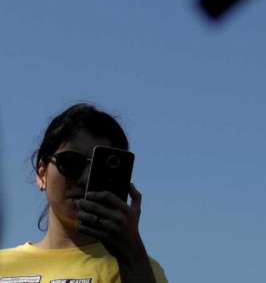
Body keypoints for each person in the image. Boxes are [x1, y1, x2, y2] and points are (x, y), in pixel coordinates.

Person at [0, 103, 168, 282]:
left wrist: (132, 253)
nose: (85, 179)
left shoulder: (138, 268)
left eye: (100, 169)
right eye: (70, 163)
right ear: (42, 174)